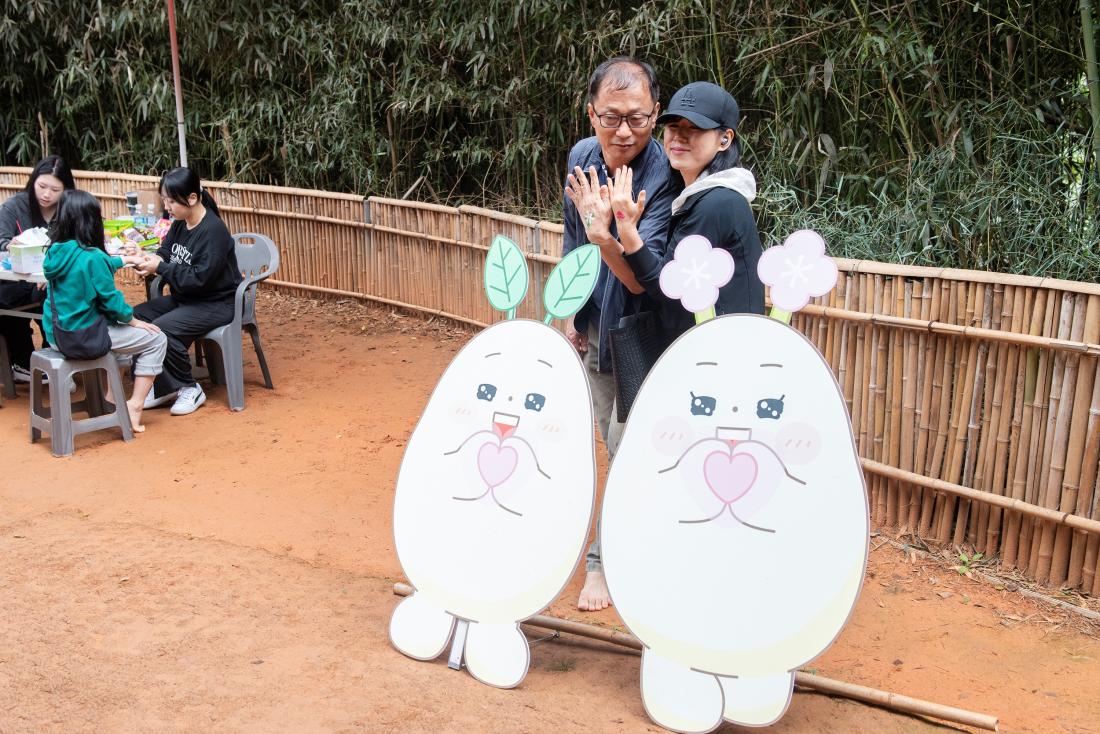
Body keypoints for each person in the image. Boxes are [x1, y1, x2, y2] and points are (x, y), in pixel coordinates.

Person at [562, 57, 674, 611]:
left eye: (638, 118)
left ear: (655, 112)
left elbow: (639, 278)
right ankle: (636, 541)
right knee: (608, 443)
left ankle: (603, 565)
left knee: (626, 450)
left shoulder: (664, 175)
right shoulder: (582, 158)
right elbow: (571, 242)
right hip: (597, 329)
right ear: (591, 115)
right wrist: (571, 313)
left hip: (641, 335)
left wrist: (605, 231)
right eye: (611, 118)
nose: (624, 132)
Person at [602, 81, 765, 338]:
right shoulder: (699, 196)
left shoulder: (717, 203)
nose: (679, 136)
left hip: (720, 359)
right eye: (673, 126)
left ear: (725, 139)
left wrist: (625, 227)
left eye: (696, 128)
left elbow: (667, 287)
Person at [41, 190, 166, 431]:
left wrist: (124, 260)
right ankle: (135, 406)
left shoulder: (56, 251)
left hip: (56, 335)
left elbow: (94, 263)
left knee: (119, 343)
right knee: (156, 339)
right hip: (82, 337)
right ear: (90, 221)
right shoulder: (93, 257)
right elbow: (111, 302)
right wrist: (132, 321)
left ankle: (110, 400)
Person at [131, 167, 241, 416]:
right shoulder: (181, 223)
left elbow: (200, 279)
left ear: (191, 198)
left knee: (164, 330)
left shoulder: (214, 231)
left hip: (216, 303)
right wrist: (147, 259)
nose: (167, 207)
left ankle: (189, 387)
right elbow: (166, 253)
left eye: (171, 201)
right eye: (165, 200)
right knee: (135, 319)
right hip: (186, 299)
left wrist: (162, 268)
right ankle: (162, 386)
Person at [0, 155, 76, 381]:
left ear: (66, 190)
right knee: (6, 300)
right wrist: (10, 245)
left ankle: (55, 357)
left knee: (51, 294)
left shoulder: (71, 210)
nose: (46, 194)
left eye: (55, 189)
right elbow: (1, 241)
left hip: (52, 281)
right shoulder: (14, 206)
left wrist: (55, 270)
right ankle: (23, 360)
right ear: (33, 181)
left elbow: (83, 243)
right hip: (15, 279)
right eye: (42, 186)